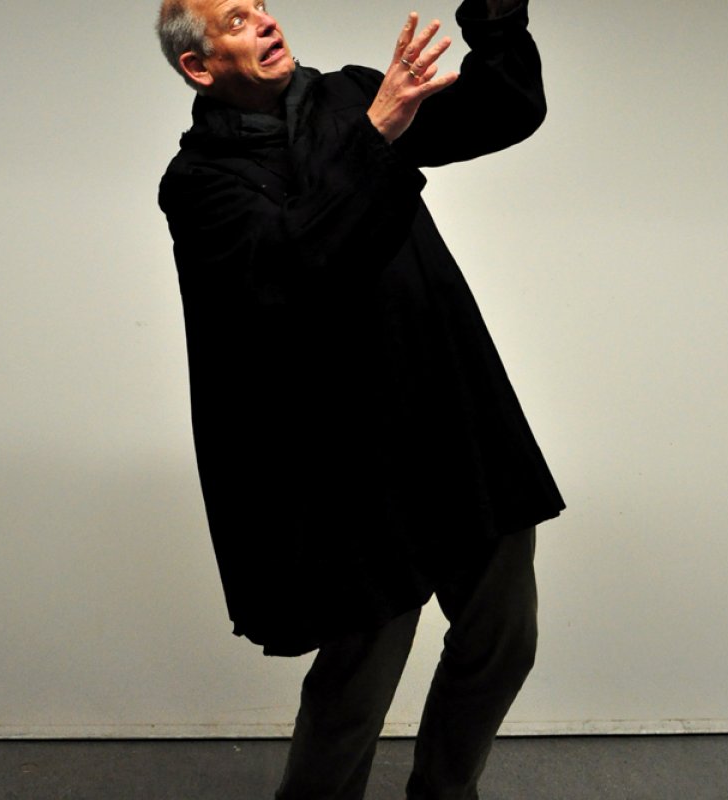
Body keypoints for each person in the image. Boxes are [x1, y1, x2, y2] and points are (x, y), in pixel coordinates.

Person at [157, 0, 564, 797]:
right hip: (346, 457)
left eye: (261, 6)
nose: (264, 20)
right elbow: (297, 261)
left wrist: (496, 18)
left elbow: (500, 112)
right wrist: (376, 134)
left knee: (504, 638)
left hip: (452, 418)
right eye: (236, 20)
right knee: (358, 685)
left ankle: (445, 792)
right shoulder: (200, 183)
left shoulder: (347, 95)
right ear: (199, 66)